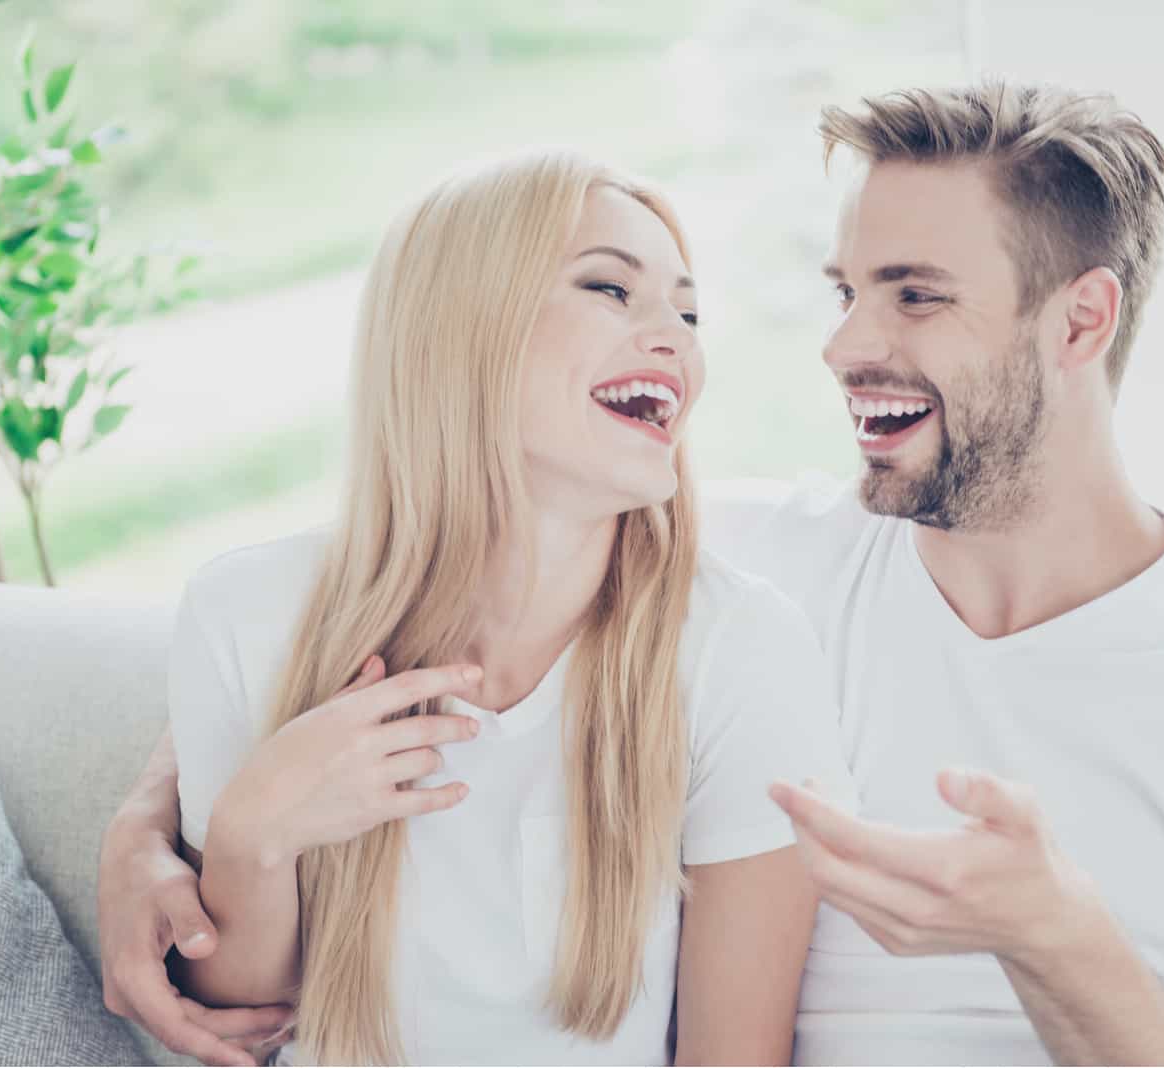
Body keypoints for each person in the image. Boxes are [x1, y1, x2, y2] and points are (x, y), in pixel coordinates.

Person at [100, 82, 1164, 1066]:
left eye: (913, 295)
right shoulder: (748, 566)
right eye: (844, 289)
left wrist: (1056, 935)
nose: (846, 343)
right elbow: (429, 582)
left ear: (1079, 318)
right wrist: (152, 826)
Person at [123, 149, 852, 1066]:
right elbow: (232, 1030)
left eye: (689, 310)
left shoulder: (738, 650)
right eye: (612, 290)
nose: (678, 339)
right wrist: (252, 836)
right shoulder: (246, 612)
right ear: (460, 328)